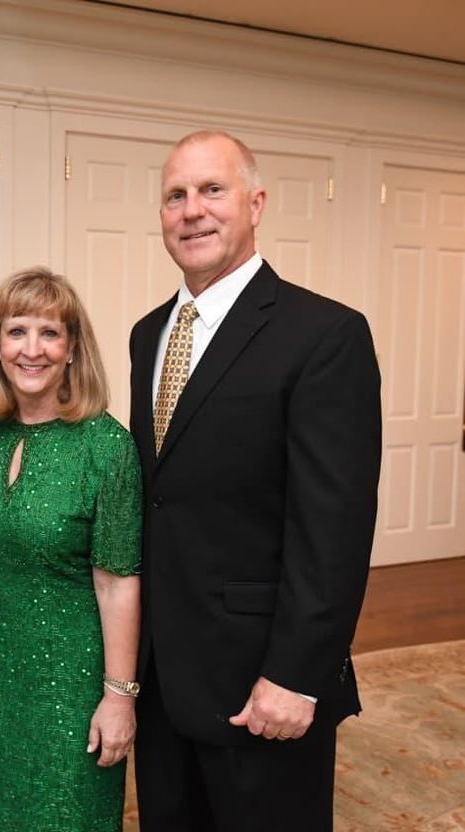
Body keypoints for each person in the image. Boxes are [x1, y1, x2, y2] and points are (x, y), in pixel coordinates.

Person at [128, 130, 382, 831]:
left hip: (260, 682)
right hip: (162, 676)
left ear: (256, 203)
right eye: (175, 196)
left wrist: (297, 675)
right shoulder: (148, 334)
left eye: (213, 190)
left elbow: (334, 529)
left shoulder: (323, 334)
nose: (192, 210)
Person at [0, 268, 142, 832]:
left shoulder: (106, 446)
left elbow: (118, 582)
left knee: (69, 815)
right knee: (0, 814)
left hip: (74, 679)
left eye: (50, 333)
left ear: (72, 348)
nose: (32, 349)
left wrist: (119, 697)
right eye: (16, 331)